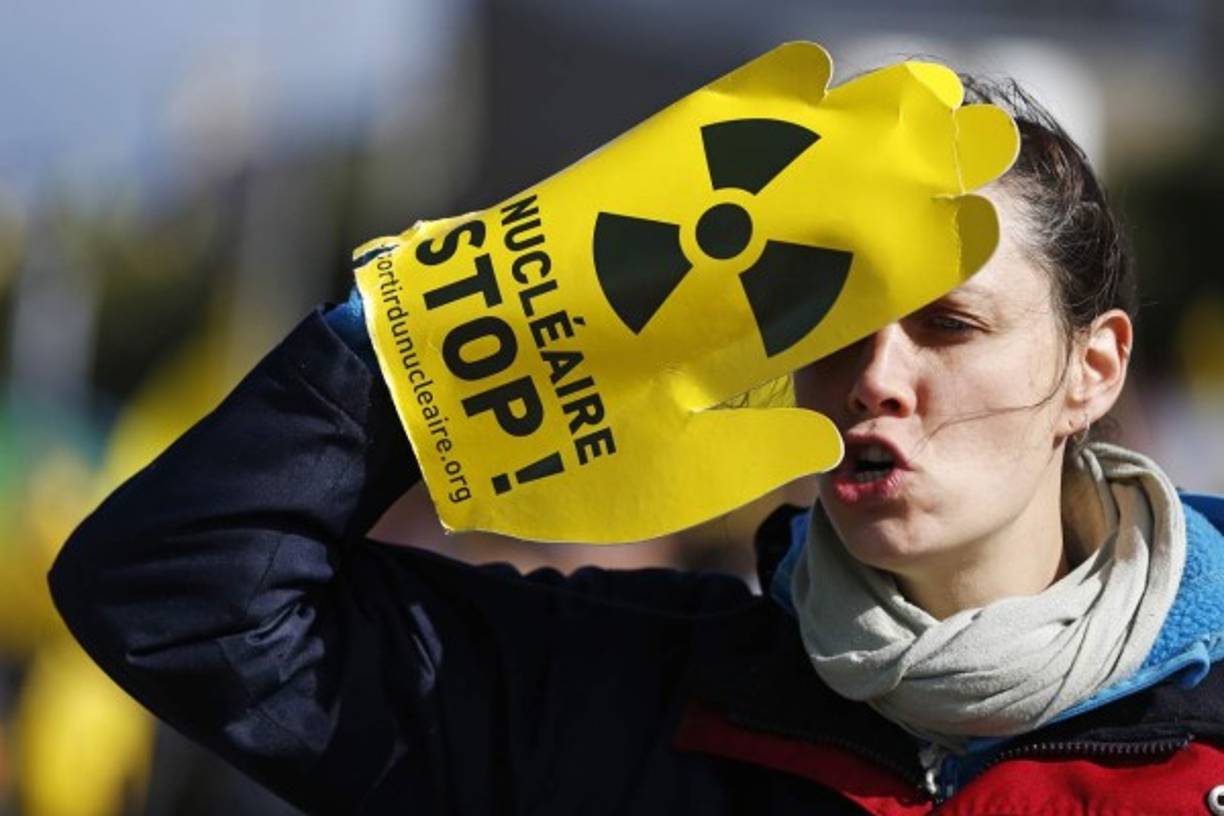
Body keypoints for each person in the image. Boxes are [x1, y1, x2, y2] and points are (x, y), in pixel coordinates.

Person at [48, 73, 1224, 816]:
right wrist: (469, 319)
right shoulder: (619, 687)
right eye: (831, 321)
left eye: (950, 325)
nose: (877, 377)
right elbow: (175, 591)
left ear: (1094, 367)